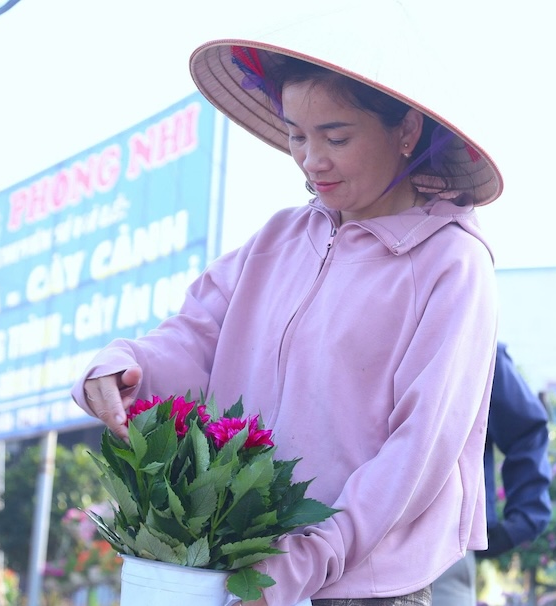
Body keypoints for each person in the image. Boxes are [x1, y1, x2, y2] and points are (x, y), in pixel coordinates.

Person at [70, 18, 505, 606]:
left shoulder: (452, 262)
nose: (311, 160)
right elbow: (197, 336)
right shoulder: (279, 237)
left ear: (406, 130)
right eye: (298, 136)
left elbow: (418, 449)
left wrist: (306, 558)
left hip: (363, 589)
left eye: (336, 138)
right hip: (241, 568)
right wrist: (123, 367)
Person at [432, 342, 552, 606]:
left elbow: (527, 430)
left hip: (440, 553)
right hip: (345, 548)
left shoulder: (470, 340)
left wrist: (521, 522)